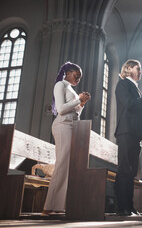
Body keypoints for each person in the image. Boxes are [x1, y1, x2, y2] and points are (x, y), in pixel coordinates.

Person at [41, 62, 91, 216]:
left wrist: (81, 103)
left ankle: (59, 205)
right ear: (68, 72)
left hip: (71, 126)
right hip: (62, 125)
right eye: (76, 76)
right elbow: (61, 110)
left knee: (68, 165)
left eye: (80, 78)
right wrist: (78, 100)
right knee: (62, 163)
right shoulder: (60, 85)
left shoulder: (71, 90)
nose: (78, 79)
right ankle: (49, 206)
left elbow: (75, 113)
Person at [114, 59, 142, 216]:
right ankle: (122, 207)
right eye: (138, 68)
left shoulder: (136, 88)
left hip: (135, 134)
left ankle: (130, 206)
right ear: (129, 68)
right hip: (126, 132)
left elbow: (138, 110)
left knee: (131, 173)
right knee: (124, 170)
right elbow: (130, 105)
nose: (141, 71)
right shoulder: (123, 84)